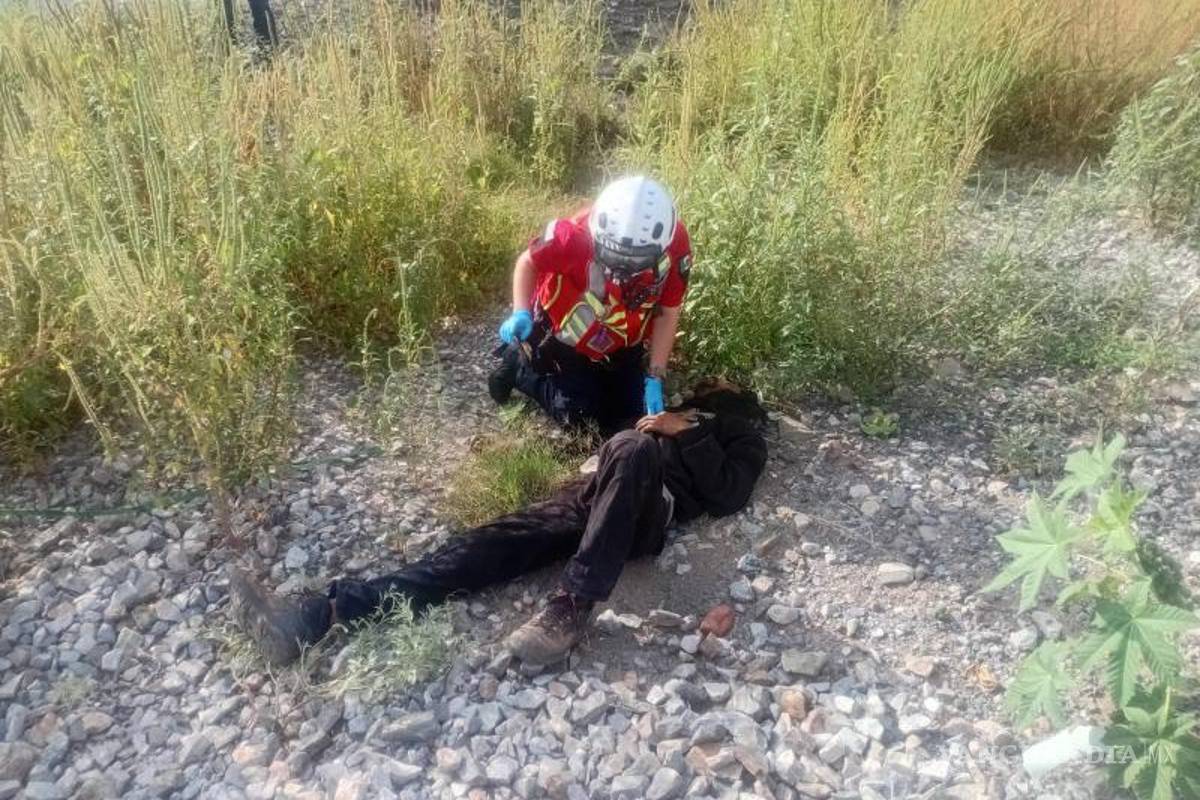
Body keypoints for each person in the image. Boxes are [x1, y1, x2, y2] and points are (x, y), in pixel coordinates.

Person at [229, 381, 767, 667]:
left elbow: (730, 493)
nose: (706, 381)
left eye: (717, 382)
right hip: (591, 494)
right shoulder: (668, 408)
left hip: (651, 509)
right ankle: (320, 614)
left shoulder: (737, 432)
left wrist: (681, 430)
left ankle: (571, 610)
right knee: (485, 547)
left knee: (629, 446)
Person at [487, 176, 694, 437]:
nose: (622, 269)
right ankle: (518, 365)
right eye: (614, 256)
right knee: (581, 421)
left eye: (636, 262)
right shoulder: (570, 238)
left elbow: (668, 311)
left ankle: (601, 382)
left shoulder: (675, 246)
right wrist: (521, 311)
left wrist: (655, 376)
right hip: (566, 341)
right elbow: (527, 263)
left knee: (633, 418)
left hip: (622, 343)